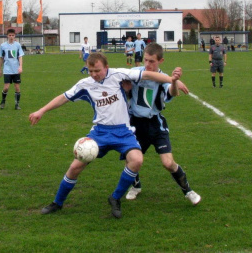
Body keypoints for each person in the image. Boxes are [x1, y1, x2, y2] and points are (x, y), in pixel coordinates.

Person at [29, 53, 179, 219]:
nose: (94, 74)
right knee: (75, 167)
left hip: (123, 131)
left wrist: (172, 80)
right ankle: (57, 202)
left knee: (137, 160)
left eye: (97, 71)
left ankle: (115, 198)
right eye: (90, 70)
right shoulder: (85, 84)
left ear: (106, 67)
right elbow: (63, 98)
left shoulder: (118, 74)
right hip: (100, 132)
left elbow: (147, 74)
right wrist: (41, 111)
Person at [123, 43, 201, 205]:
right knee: (131, 159)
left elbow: (172, 93)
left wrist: (174, 82)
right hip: (135, 123)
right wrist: (126, 88)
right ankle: (136, 186)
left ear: (161, 61)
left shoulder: (164, 78)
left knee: (168, 163)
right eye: (145, 60)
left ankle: (188, 190)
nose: (148, 65)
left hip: (155, 124)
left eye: (152, 61)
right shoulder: (136, 73)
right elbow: (119, 81)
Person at [0, 29, 24, 110]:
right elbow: (1, 58)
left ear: (15, 36)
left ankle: (17, 104)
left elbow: (20, 57)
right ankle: (3, 101)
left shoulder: (18, 45)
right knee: (6, 87)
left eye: (13, 35)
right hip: (7, 70)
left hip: (16, 70)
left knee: (17, 87)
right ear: (7, 36)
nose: (11, 37)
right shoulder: (3, 46)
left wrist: (20, 67)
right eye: (10, 35)